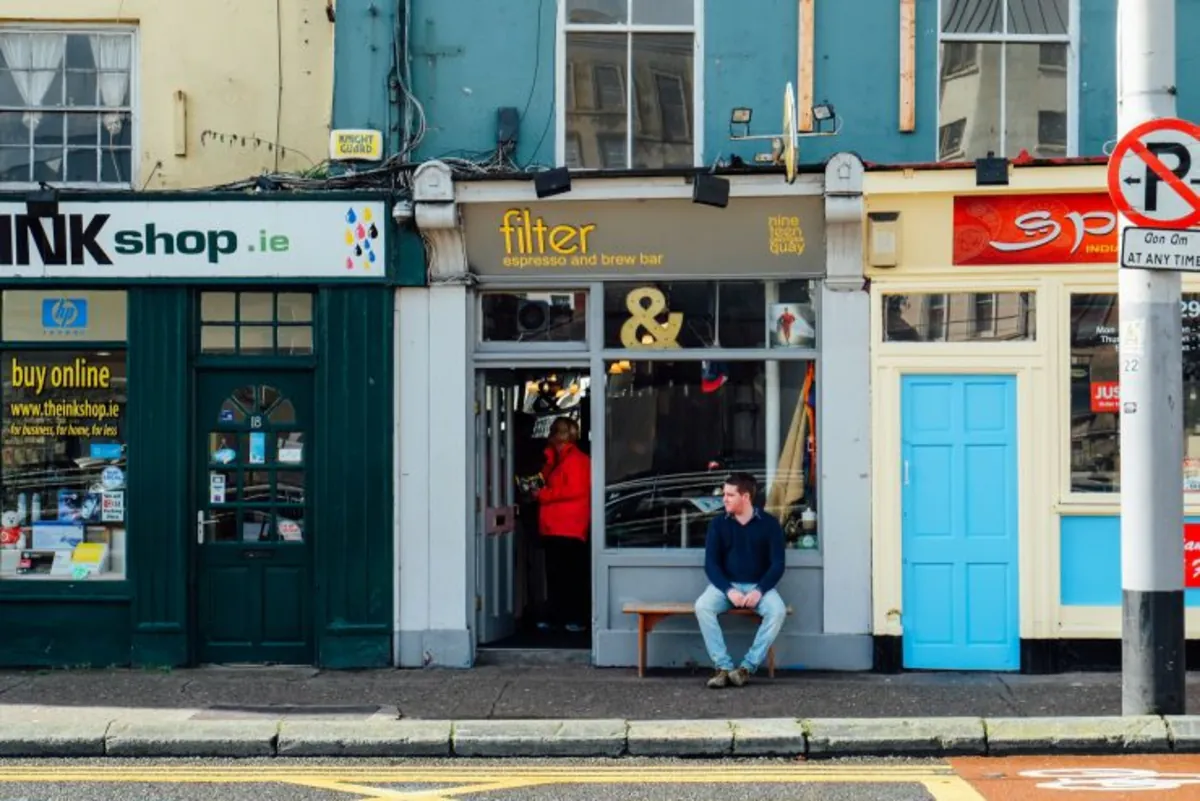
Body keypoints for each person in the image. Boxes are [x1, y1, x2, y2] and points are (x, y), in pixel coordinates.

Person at [695, 472, 787, 688]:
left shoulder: (769, 524)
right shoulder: (718, 524)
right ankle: (723, 668)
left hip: (758, 586)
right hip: (727, 586)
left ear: (745, 497)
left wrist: (759, 590)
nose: (724, 499)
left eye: (729, 495)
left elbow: (778, 564)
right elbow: (711, 564)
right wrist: (729, 590)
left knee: (777, 611)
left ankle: (746, 668)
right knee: (703, 606)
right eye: (724, 494)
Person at [533, 416, 591, 632]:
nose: (552, 436)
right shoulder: (558, 460)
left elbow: (575, 490)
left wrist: (543, 494)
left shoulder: (577, 460)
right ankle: (560, 616)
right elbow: (544, 479)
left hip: (569, 527)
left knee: (569, 575)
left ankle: (573, 617)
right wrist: (548, 462)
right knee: (557, 575)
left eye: (555, 432)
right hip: (556, 526)